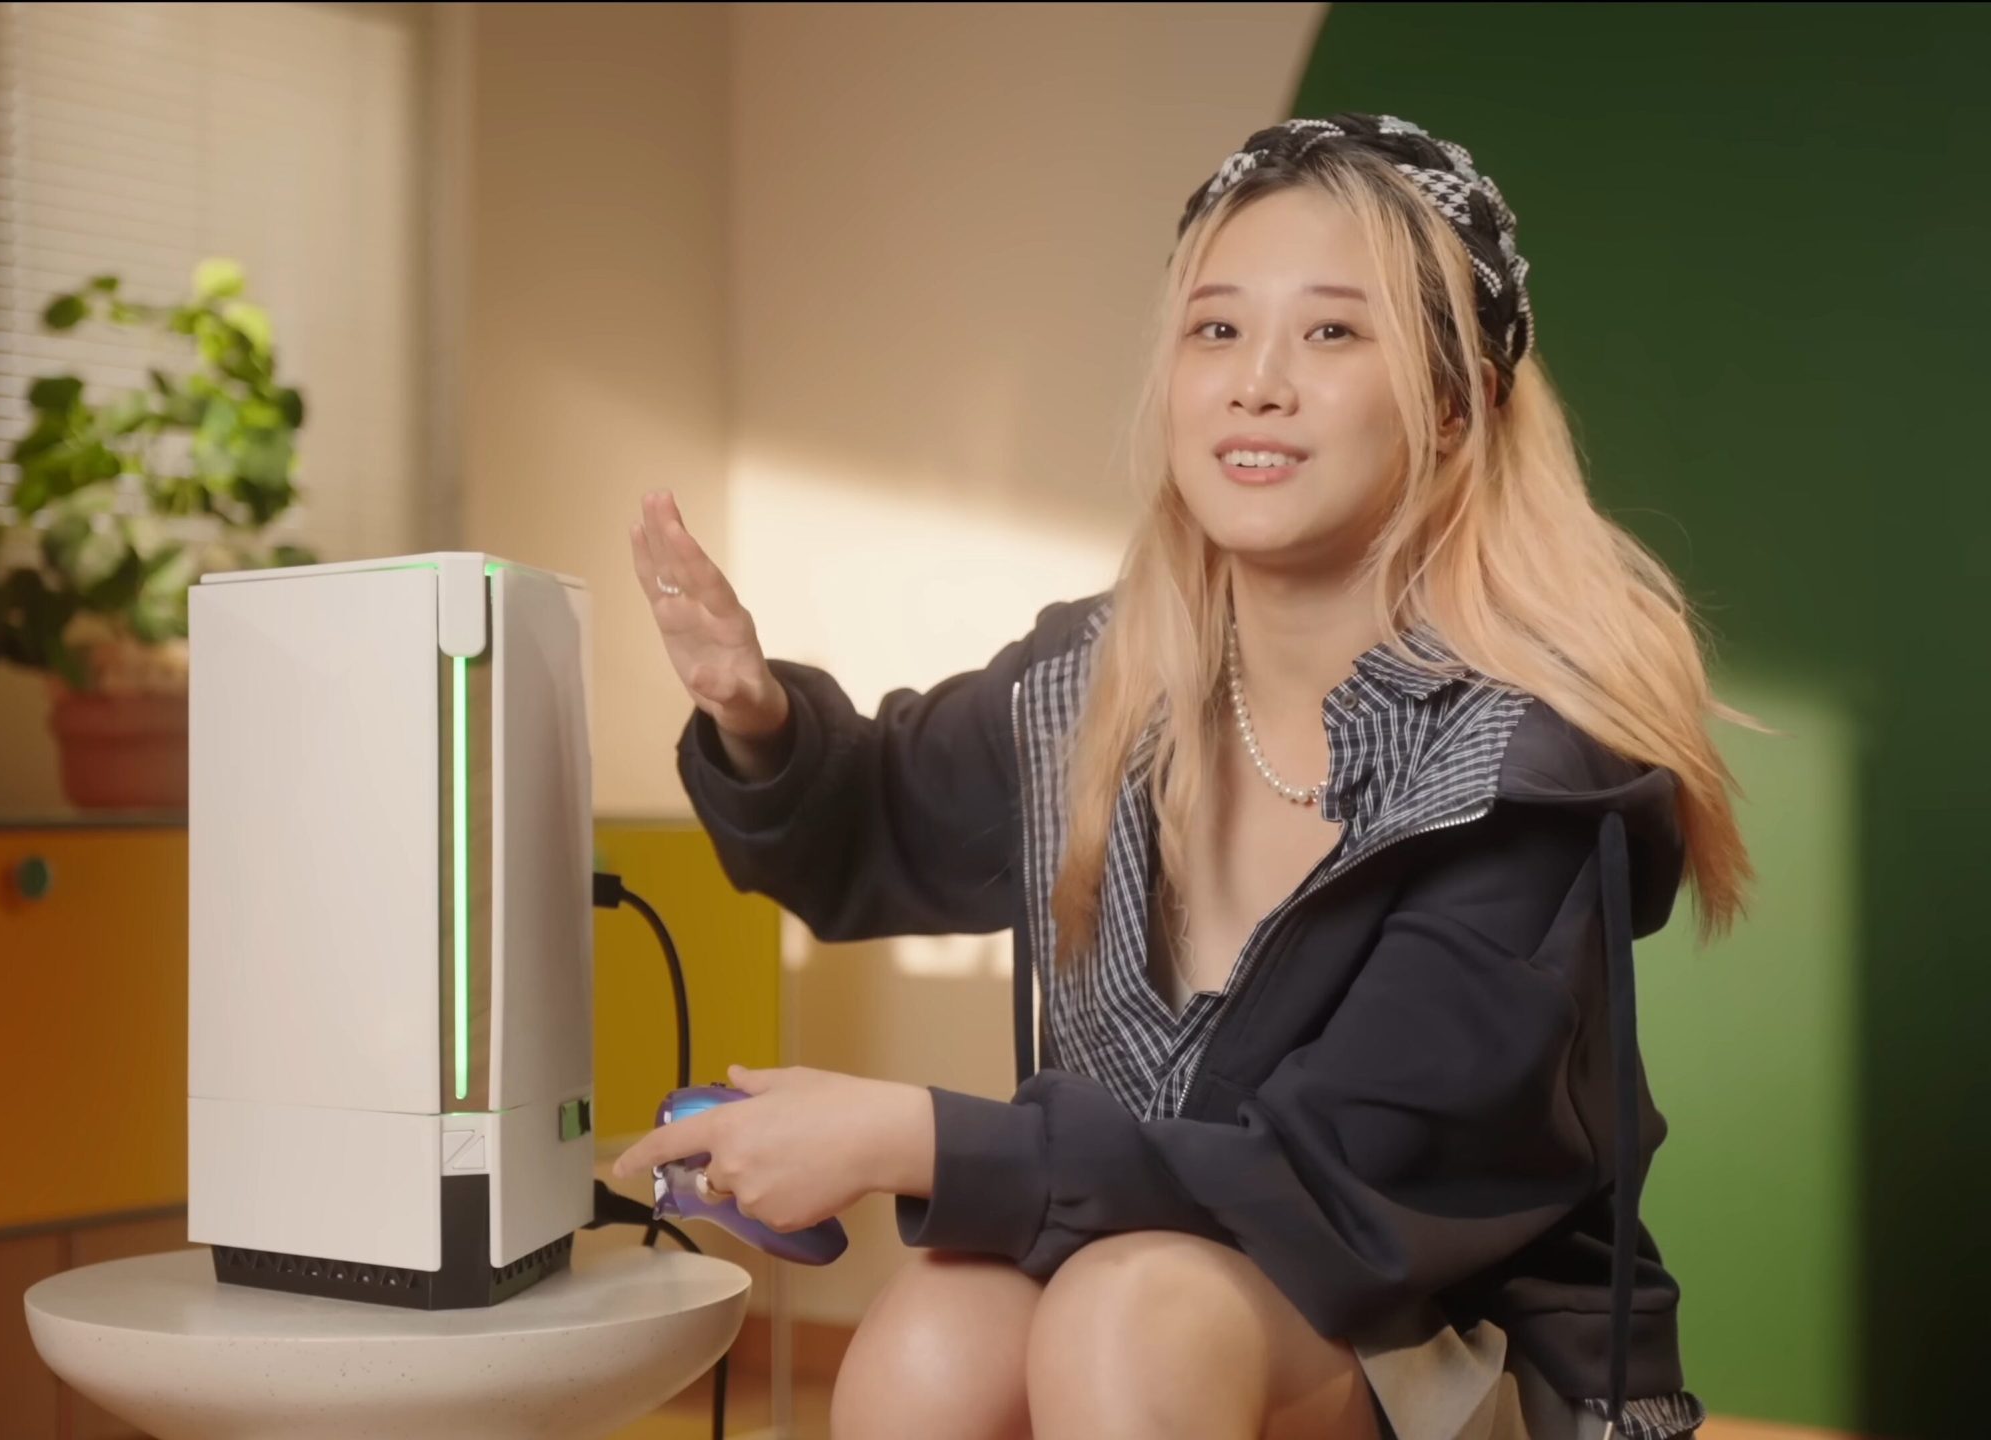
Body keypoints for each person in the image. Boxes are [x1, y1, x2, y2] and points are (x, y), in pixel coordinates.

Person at [612, 112, 1746, 1440]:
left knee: (1129, 1312)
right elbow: (868, 831)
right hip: (1160, 1289)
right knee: (937, 1335)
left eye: (1332, 333)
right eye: (1217, 329)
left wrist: (905, 1137)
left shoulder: (1529, 766)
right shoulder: (1094, 682)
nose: (1257, 383)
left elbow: (1333, 1186)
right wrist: (755, 716)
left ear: (1457, 404)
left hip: (1447, 1337)